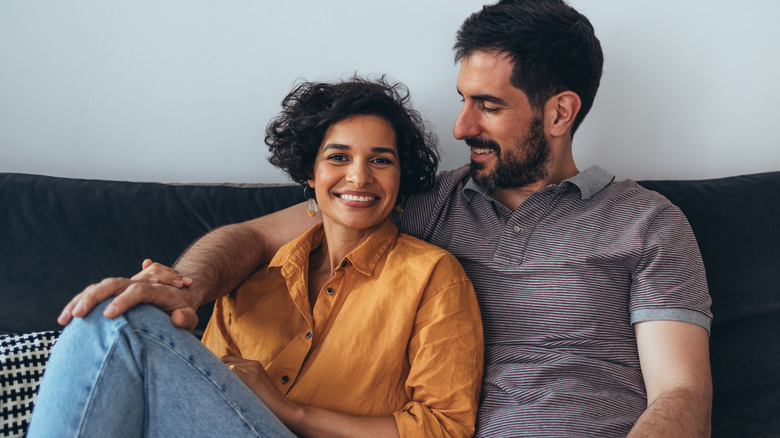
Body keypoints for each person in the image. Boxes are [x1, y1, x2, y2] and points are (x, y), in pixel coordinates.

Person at [57, 0, 714, 436]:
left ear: (560, 112)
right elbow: (256, 235)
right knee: (107, 325)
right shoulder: (420, 200)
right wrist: (184, 288)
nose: (460, 126)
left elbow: (681, 397)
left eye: (486, 105)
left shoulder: (645, 224)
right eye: (461, 101)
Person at [29, 77, 484, 437]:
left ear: (401, 176)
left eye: (381, 160)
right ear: (311, 171)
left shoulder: (434, 277)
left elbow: (445, 428)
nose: (359, 176)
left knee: (118, 319)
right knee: (114, 315)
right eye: (339, 157)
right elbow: (201, 396)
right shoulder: (255, 276)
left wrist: (289, 411)